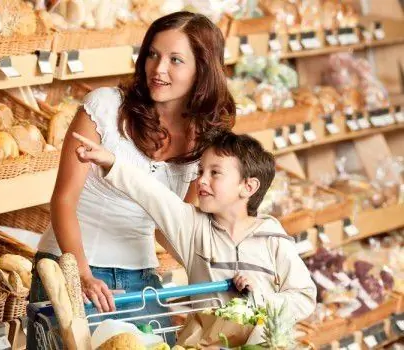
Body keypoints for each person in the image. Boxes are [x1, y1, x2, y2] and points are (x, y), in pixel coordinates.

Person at [27, 10, 235, 347]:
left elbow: (174, 226)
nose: (158, 69)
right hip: (71, 267)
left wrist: (218, 269)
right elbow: (64, 200)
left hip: (141, 278)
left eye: (175, 60)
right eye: (153, 54)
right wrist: (81, 275)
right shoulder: (106, 108)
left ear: (203, 70)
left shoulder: (204, 140)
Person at [72, 130, 317, 321]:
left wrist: (261, 298)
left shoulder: (273, 238)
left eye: (215, 173)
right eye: (201, 171)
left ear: (248, 187)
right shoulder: (193, 227)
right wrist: (110, 161)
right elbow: (152, 194)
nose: (202, 181)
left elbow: (304, 298)